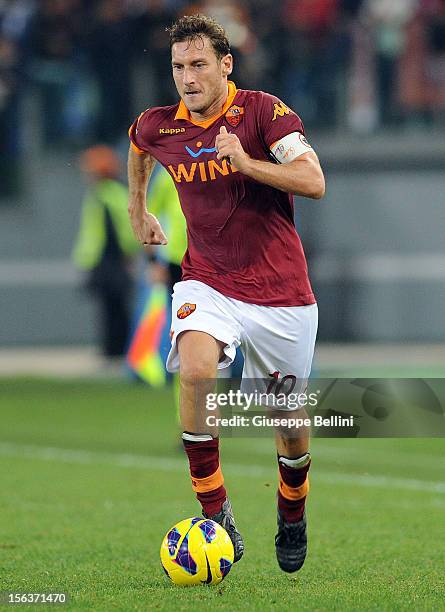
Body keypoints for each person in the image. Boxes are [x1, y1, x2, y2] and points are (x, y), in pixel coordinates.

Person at [127, 14, 325, 573]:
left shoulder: (264, 112)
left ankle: (292, 511)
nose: (187, 77)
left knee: (288, 425)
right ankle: (218, 516)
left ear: (225, 64)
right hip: (208, 280)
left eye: (198, 65)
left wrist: (245, 162)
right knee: (193, 371)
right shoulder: (160, 124)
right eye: (178, 67)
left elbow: (314, 181)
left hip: (281, 292)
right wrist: (137, 208)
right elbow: (138, 146)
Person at [73, 145, 140, 361]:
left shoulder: (108, 194)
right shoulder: (107, 192)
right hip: (107, 259)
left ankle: (116, 348)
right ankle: (115, 347)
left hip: (109, 259)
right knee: (112, 305)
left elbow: (122, 227)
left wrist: (127, 252)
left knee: (114, 306)